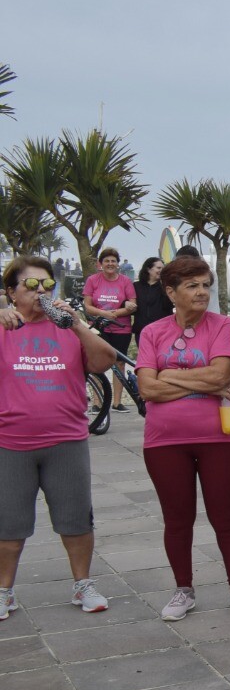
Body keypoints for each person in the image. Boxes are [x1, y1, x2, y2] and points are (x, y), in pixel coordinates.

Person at [136, 256, 230, 622]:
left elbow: (220, 378)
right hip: (164, 440)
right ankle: (183, 589)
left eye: (206, 284)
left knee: (226, 517)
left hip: (220, 438)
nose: (201, 292)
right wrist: (195, 380)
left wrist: (167, 375)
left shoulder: (224, 326)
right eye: (192, 286)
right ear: (171, 292)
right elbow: (145, 388)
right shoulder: (152, 332)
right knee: (177, 519)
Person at [0, 256, 118, 620]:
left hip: (66, 439)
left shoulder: (67, 328)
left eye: (47, 285)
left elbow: (104, 361)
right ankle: (4, 590)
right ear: (11, 293)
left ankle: (82, 583)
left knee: (76, 518)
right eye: (31, 286)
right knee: (9, 523)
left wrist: (78, 325)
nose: (41, 292)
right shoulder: (5, 327)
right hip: (11, 442)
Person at [81, 248, 137, 411]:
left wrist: (115, 314)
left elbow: (132, 305)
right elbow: (88, 306)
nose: (110, 264)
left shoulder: (125, 281)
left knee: (119, 363)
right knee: (97, 364)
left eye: (113, 261)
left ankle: (117, 402)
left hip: (121, 328)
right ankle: (98, 402)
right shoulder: (93, 280)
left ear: (118, 264)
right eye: (107, 261)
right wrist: (104, 314)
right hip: (99, 328)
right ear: (101, 264)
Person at [132, 256, 174, 345]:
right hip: (142, 330)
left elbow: (168, 305)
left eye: (163, 268)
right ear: (148, 269)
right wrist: (126, 303)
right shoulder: (136, 286)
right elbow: (129, 305)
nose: (161, 270)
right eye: (158, 268)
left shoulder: (167, 287)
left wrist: (164, 286)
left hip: (163, 330)